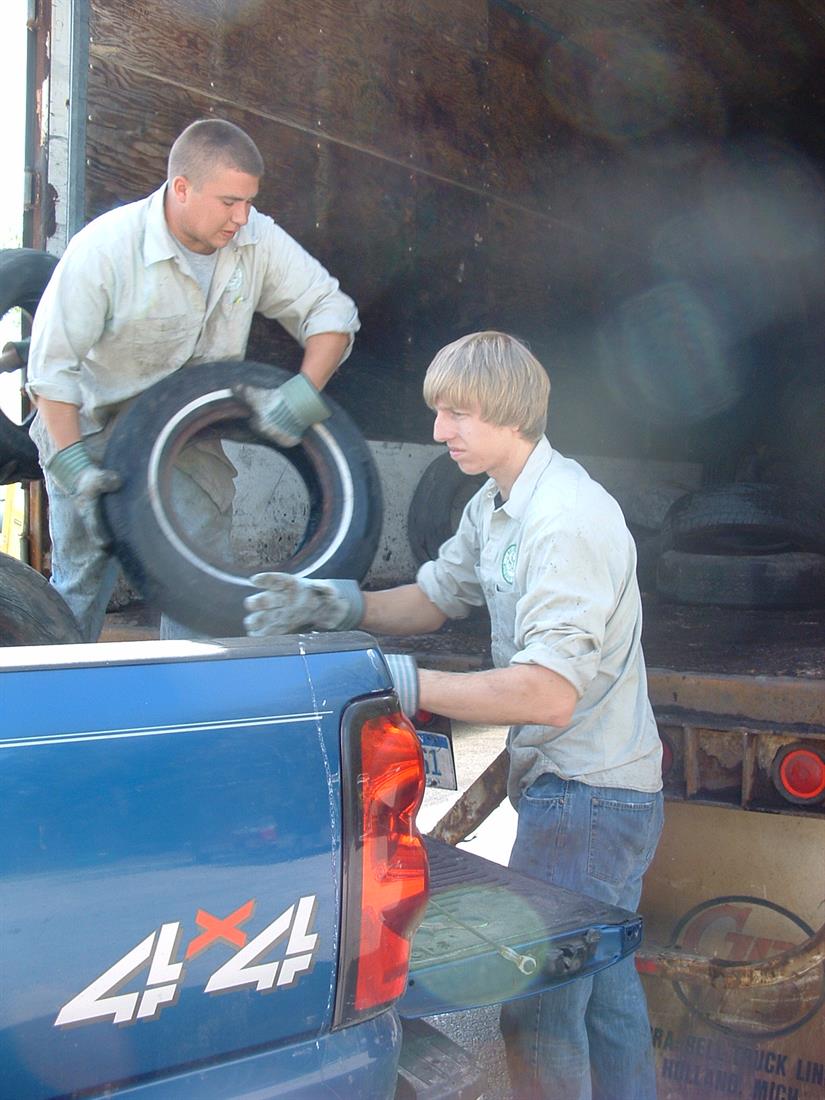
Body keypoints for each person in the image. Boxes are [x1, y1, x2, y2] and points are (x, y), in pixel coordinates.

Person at [242, 330, 664, 1100]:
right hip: (578, 786)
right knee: (604, 995)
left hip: (590, 797)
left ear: (509, 412)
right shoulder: (496, 504)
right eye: (438, 412)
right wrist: (339, 603)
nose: (439, 432)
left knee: (535, 1009)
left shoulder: (565, 520)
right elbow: (438, 596)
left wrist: (404, 684)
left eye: (458, 414)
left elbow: (547, 692)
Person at [25, 118, 359, 641]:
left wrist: (300, 395)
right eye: (229, 201)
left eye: (249, 201)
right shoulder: (106, 248)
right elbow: (50, 370)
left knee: (202, 589)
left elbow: (333, 312)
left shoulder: (256, 241)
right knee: (82, 585)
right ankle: (59, 702)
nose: (242, 217)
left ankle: (189, 701)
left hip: (187, 438)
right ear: (182, 188)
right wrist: (74, 470)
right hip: (89, 432)